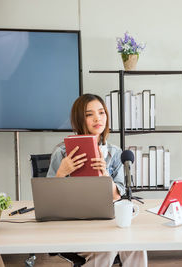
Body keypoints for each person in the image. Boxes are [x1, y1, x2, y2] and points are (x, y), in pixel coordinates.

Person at [47, 94, 147, 267]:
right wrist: (61, 173)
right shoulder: (61, 153)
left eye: (101, 113)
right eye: (89, 114)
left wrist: (104, 174)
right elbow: (48, 200)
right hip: (74, 224)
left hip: (108, 221)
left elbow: (117, 196)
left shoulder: (115, 153)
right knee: (106, 248)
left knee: (136, 245)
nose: (97, 118)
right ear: (79, 119)